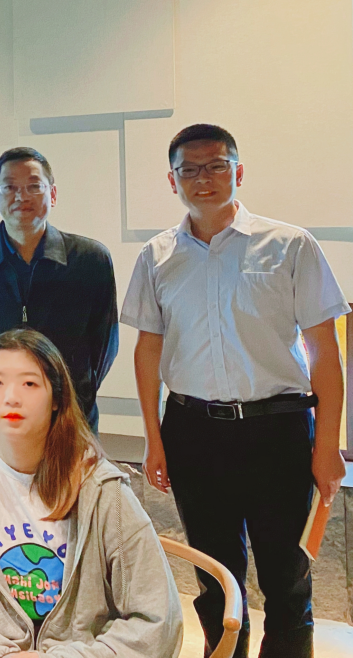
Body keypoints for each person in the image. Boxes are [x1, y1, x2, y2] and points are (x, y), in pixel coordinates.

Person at [122, 124, 347, 658]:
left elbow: (324, 351)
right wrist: (153, 440)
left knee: (286, 573)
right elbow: (147, 351)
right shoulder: (157, 255)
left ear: (238, 172)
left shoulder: (290, 244)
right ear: (173, 180)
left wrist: (327, 446)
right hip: (193, 430)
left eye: (217, 166)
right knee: (214, 574)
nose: (204, 179)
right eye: (189, 170)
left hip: (279, 430)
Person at [0, 328, 183, 657]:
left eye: (29, 384)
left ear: (56, 399)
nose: (11, 397)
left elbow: (156, 618)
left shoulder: (101, 490)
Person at [0, 147, 118, 434]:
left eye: (34, 186)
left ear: (53, 194)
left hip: (70, 416)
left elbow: (104, 345)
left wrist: (71, 395)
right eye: (10, 187)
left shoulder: (90, 259)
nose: (22, 197)